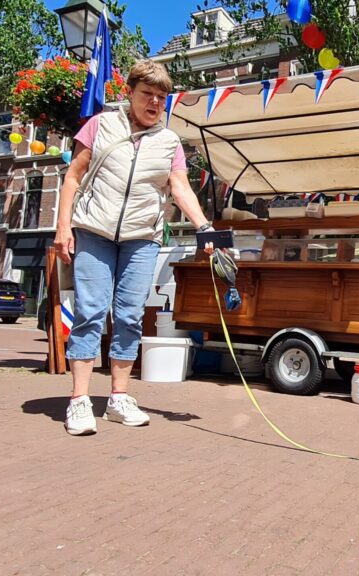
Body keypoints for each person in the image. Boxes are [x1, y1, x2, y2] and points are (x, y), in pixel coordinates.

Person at [54, 59, 215, 436]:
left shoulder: (169, 142)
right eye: (148, 94)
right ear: (130, 92)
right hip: (94, 230)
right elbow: (72, 176)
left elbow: (179, 187)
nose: (155, 103)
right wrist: (63, 227)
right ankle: (79, 401)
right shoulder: (101, 124)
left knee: (129, 315)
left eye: (161, 97)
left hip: (142, 238)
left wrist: (204, 227)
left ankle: (118, 398)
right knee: (90, 312)